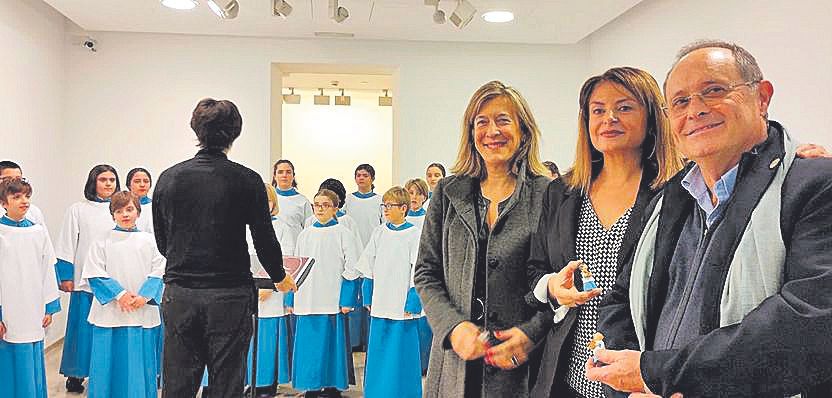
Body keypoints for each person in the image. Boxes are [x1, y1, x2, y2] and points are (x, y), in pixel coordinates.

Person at [590, 40, 832, 397]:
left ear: (762, 98)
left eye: (714, 90)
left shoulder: (813, 185)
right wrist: (630, 387)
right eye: (681, 101)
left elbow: (810, 319)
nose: (696, 110)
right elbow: (621, 299)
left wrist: (657, 375)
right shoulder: (667, 199)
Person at [526, 67, 684, 398]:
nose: (608, 118)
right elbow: (535, 269)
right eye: (598, 110)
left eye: (624, 107)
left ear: (652, 117)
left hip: (640, 379)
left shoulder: (676, 193)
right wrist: (553, 286)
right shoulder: (562, 193)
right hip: (568, 376)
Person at [414, 80, 552, 397]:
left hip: (519, 365)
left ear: (523, 130)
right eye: (482, 122)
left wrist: (531, 333)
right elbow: (426, 272)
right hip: (454, 362)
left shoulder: (547, 195)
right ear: (471, 131)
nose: (492, 132)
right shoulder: (447, 193)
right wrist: (453, 326)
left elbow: (557, 282)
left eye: (503, 120)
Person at [152, 98, 296, 398]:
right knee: (227, 381)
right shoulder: (247, 180)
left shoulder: (169, 178)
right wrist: (280, 277)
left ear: (195, 129)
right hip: (229, 295)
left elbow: (163, 240)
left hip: (180, 293)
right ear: (236, 132)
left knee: (177, 382)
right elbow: (264, 238)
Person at [82, 191, 165, 398]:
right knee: (107, 361)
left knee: (140, 361)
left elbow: (160, 270)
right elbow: (94, 272)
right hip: (111, 311)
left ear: (138, 212)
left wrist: (143, 296)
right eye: (119, 211)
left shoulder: (151, 241)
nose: (125, 214)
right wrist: (120, 295)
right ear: (112, 215)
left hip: (141, 310)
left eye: (129, 209)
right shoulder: (101, 240)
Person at [286, 189, 362, 398]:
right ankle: (311, 385)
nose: (320, 209)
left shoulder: (343, 234)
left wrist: (347, 299)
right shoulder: (305, 234)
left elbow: (352, 268)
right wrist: (291, 296)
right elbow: (296, 266)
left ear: (335, 208)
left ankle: (331, 386)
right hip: (307, 298)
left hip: (331, 298)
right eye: (316, 205)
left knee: (331, 346)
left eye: (325, 205)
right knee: (309, 347)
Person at [55, 164, 120, 393]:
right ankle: (76, 373)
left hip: (113, 283)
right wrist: (65, 275)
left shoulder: (120, 209)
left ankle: (106, 373)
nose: (108, 183)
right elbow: (66, 242)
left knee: (108, 330)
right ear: (93, 182)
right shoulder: (78, 209)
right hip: (85, 281)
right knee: (82, 330)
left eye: (112, 179)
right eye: (103, 179)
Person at [357, 186, 423, 398]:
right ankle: (377, 392)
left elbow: (419, 270)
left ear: (403, 208)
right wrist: (368, 292)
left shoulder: (414, 234)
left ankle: (403, 392)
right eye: (383, 205)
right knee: (378, 350)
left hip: (402, 304)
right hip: (381, 302)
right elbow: (369, 264)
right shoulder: (379, 232)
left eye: (390, 205)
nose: (385, 209)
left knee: (401, 352)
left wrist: (413, 300)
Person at [0, 178, 61, 398]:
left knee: (33, 356)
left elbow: (48, 269)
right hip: (8, 308)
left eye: (27, 196)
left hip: (33, 306)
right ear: (3, 202)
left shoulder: (38, 231)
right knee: (9, 356)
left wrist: (49, 306)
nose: (24, 201)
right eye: (16, 197)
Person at [244, 183, 293, 398]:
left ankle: (266, 385)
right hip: (247, 292)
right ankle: (249, 383)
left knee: (267, 343)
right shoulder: (242, 226)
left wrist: (271, 287)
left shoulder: (282, 228)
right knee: (248, 341)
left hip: (270, 295)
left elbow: (287, 260)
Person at [343, 163, 382, 248]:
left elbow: (384, 225)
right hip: (352, 244)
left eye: (365, 175)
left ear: (372, 179)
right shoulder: (347, 200)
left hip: (373, 245)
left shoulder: (380, 200)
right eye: (358, 175)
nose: (361, 178)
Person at [272, 159, 312, 240]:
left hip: (294, 249)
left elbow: (309, 231)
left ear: (293, 176)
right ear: (275, 176)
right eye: (280, 172)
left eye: (288, 172)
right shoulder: (266, 199)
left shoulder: (303, 201)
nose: (284, 175)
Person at [126, 167, 155, 235]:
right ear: (129, 185)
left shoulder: (156, 206)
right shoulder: (121, 207)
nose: (142, 185)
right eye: (137, 181)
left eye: (146, 181)